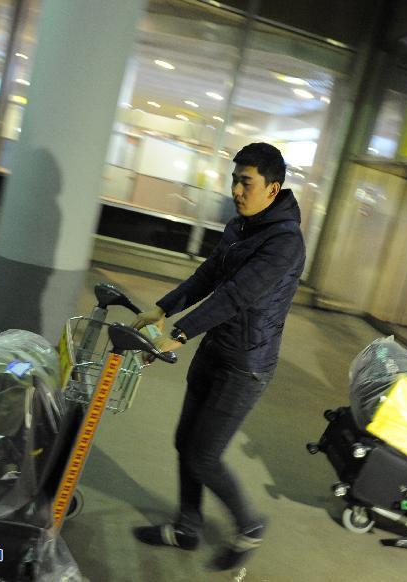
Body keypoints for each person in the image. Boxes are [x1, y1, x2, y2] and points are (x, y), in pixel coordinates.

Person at [130, 142, 305, 570]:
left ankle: (249, 526)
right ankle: (186, 528)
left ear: (272, 188)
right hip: (215, 352)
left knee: (203, 455)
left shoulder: (285, 243)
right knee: (184, 443)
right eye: (234, 180)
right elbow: (209, 275)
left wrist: (182, 332)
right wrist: (164, 307)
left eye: (246, 182)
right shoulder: (241, 226)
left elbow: (238, 294)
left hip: (245, 365)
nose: (236, 190)